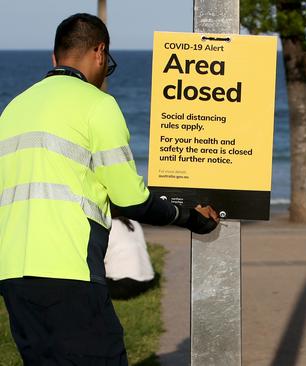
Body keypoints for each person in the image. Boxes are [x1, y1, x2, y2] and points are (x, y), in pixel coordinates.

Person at [0, 14, 220, 365]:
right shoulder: (97, 104)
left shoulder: (13, 109)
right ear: (100, 52)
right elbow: (130, 199)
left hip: (12, 274)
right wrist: (188, 217)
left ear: (54, 58)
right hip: (69, 269)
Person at [105, 217, 155, 299]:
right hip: (147, 282)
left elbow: (100, 256)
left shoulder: (109, 225)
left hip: (123, 284)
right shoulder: (134, 222)